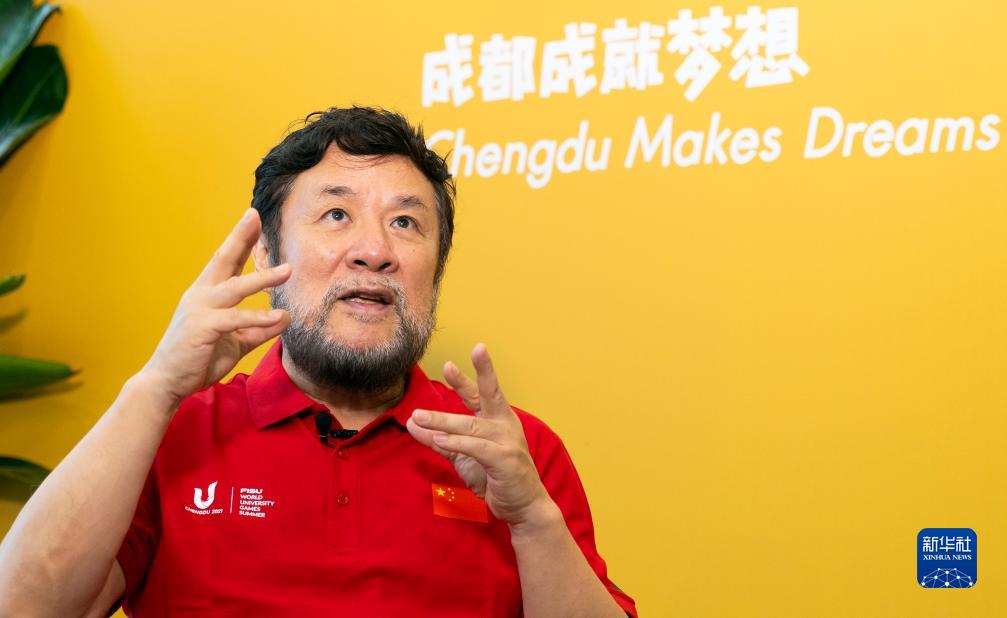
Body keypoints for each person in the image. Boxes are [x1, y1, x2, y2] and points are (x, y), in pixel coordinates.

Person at [0, 107, 637, 617]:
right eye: (337, 214)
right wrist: (157, 387)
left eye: (406, 223)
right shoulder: (173, 433)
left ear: (435, 273)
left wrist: (530, 519)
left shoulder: (513, 454)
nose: (374, 250)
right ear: (267, 251)